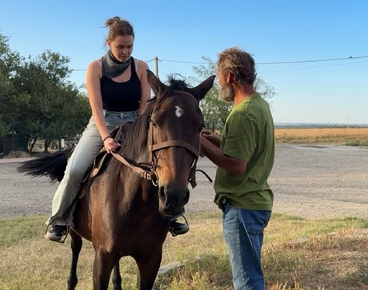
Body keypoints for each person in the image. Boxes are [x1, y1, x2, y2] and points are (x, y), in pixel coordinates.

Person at [45, 16, 189, 242]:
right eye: (120, 46)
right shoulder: (95, 67)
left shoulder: (141, 67)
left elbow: (144, 105)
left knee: (158, 161)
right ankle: (59, 219)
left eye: (130, 46)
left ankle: (173, 216)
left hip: (135, 121)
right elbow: (96, 107)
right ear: (109, 43)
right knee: (74, 170)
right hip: (103, 121)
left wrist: (142, 133)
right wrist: (105, 138)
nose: (125, 51)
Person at [200, 47, 275, 289]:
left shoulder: (242, 113)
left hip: (242, 206)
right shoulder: (259, 105)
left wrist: (199, 141)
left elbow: (237, 165)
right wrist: (217, 140)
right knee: (250, 275)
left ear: (230, 77)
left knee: (246, 281)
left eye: (219, 76)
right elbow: (245, 150)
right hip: (254, 203)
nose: (219, 81)